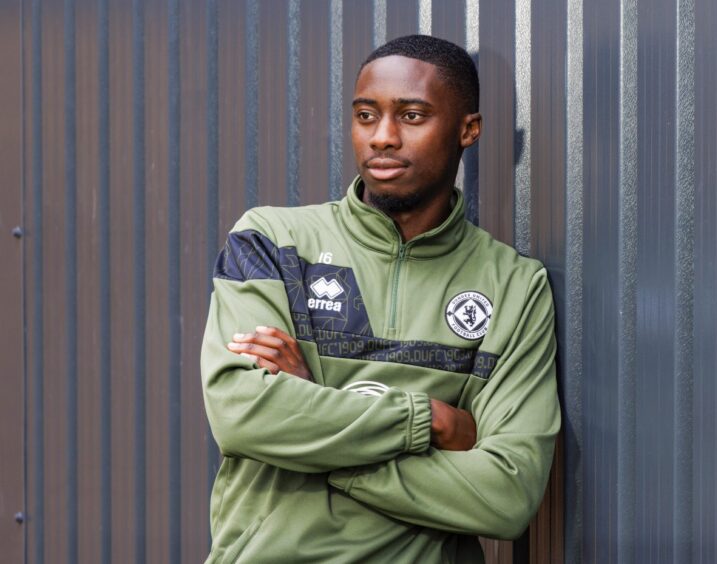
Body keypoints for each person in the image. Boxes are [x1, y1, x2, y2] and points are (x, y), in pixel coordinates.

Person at [201, 34, 560, 563]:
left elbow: (505, 497)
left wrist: (312, 414)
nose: (383, 138)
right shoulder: (271, 242)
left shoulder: (513, 285)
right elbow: (243, 414)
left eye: (412, 116)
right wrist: (430, 423)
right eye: (366, 116)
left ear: (468, 129)